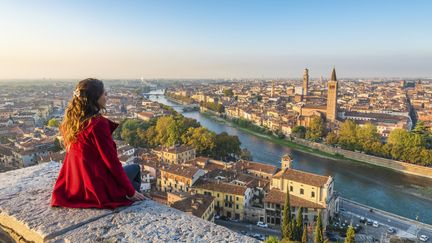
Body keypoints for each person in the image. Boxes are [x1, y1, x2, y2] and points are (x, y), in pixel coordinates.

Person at [51, 78, 145, 209]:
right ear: (95, 98)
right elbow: (111, 162)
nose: (106, 97)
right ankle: (134, 198)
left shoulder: (71, 122)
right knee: (135, 168)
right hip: (95, 188)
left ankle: (133, 195)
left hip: (75, 186)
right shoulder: (97, 124)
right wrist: (131, 191)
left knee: (131, 178)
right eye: (104, 94)